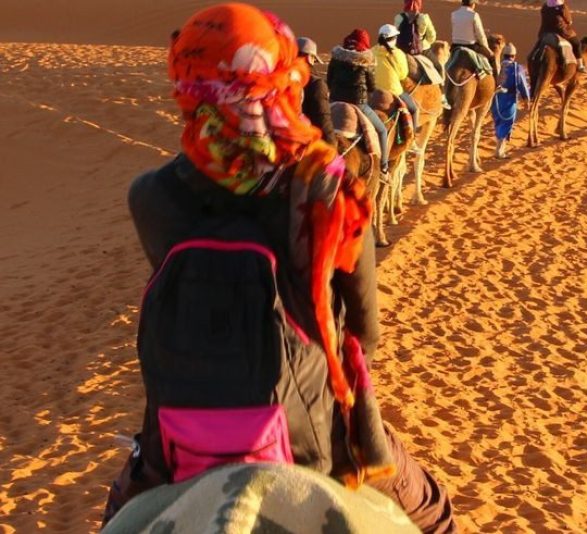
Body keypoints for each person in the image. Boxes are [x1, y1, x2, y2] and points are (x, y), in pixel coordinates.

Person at [102, 5, 455, 533]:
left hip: (178, 431)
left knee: (119, 518)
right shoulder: (329, 189)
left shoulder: (150, 197)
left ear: (187, 81)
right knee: (433, 511)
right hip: (313, 432)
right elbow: (365, 334)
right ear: (282, 79)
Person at [328, 29, 391, 175]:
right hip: (359, 104)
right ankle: (384, 167)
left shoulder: (336, 58)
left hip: (335, 100)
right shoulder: (366, 61)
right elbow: (372, 87)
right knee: (382, 130)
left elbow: (329, 81)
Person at [373, 24, 420, 139]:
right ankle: (412, 138)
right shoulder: (398, 53)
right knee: (414, 109)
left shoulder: (372, 51)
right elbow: (403, 74)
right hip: (394, 91)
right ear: (394, 39)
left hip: (374, 91)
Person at [491, 43, 530, 159]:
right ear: (514, 55)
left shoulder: (496, 67)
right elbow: (522, 83)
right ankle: (499, 151)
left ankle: (499, 149)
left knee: (498, 123)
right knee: (506, 124)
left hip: (495, 100)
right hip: (508, 99)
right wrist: (526, 99)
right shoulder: (516, 68)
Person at [297, 37, 336, 147]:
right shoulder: (316, 84)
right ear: (309, 58)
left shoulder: (279, 78)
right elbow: (323, 118)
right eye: (314, 58)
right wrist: (332, 147)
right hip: (305, 143)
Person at [451, 0, 497, 76]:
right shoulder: (474, 15)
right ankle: (497, 84)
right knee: (492, 57)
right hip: (471, 46)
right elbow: (480, 35)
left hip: (455, 46)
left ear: (462, 3)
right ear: (473, 4)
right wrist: (487, 48)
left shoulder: (454, 14)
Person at [538, 0, 586, 72]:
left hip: (545, 32)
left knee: (539, 44)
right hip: (561, 32)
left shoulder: (545, 6)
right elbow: (569, 21)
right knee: (577, 44)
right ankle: (580, 65)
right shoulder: (562, 6)